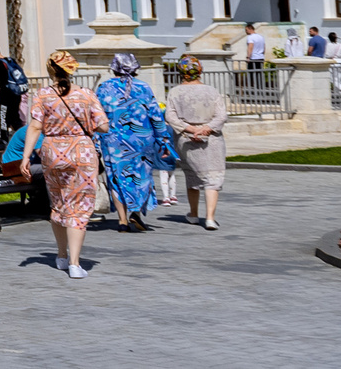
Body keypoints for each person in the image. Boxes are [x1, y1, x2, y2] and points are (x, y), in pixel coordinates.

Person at [20, 50, 111, 277]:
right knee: (78, 207)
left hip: (52, 152)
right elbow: (104, 126)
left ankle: (61, 255)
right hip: (82, 153)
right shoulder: (86, 94)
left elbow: (34, 126)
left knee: (59, 203)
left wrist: (25, 157)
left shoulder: (43, 95)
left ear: (50, 69)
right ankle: (74, 263)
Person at [93, 53, 172, 231]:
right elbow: (156, 116)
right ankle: (135, 212)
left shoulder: (104, 88)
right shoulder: (143, 87)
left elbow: (96, 116)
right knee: (142, 176)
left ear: (114, 68)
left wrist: (95, 142)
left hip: (112, 141)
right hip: (142, 140)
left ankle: (122, 220)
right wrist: (163, 140)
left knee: (116, 177)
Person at [165, 55, 228, 231]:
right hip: (212, 139)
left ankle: (193, 213)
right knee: (213, 178)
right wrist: (207, 128)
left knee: (192, 175)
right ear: (199, 70)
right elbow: (221, 115)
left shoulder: (175, 92)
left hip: (186, 138)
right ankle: (210, 218)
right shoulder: (212, 91)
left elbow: (170, 116)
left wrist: (190, 129)